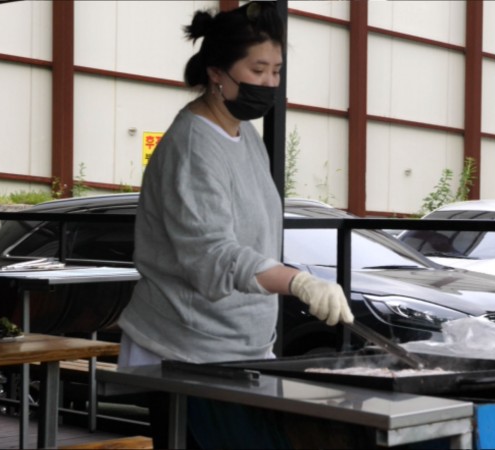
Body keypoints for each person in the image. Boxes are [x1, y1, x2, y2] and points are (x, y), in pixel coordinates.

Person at [115, 2, 354, 447]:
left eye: (276, 71)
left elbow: (253, 235)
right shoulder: (192, 146)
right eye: (257, 70)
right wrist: (298, 282)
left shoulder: (246, 136)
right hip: (186, 349)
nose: (269, 83)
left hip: (240, 346)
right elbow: (212, 255)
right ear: (217, 73)